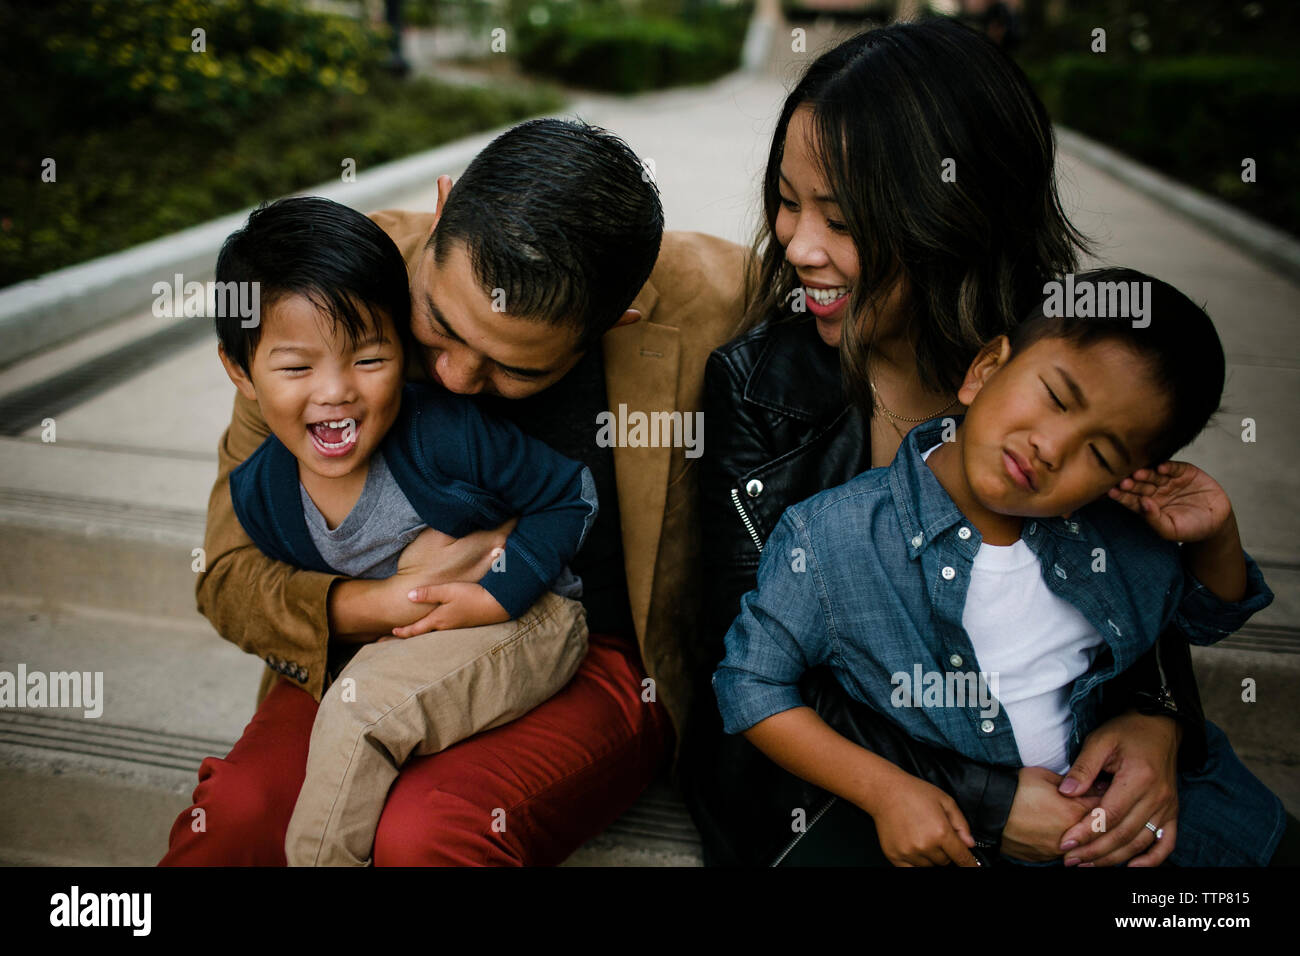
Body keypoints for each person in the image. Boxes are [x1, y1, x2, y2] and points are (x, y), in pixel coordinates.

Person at [684, 18, 1207, 868]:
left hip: (1070, 802)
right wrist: (988, 799)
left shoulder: (1066, 377)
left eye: (843, 220)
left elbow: (1137, 597)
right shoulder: (755, 390)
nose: (799, 245)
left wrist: (1156, 722)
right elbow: (748, 670)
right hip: (830, 812)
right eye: (787, 201)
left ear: (953, 217)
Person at [160, 119, 750, 866]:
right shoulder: (325, 292)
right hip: (363, 645)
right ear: (442, 209)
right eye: (438, 326)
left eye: (518, 369)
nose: (456, 379)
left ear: (616, 321)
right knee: (242, 818)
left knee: (427, 830)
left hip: (586, 650)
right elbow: (231, 578)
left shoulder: (712, 301)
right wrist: (384, 602)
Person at [714, 269, 1290, 867]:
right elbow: (750, 682)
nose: (1052, 447)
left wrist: (1216, 534)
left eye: (1099, 452)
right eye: (1058, 398)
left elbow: (1205, 616)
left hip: (1118, 814)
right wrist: (886, 791)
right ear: (985, 370)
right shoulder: (835, 535)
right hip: (954, 827)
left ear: (1120, 478)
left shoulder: (1112, 537)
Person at [210, 196, 596, 866]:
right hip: (397, 648)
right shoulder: (263, 496)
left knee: (358, 718)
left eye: (368, 359)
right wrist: (379, 601)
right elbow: (243, 588)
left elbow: (572, 494)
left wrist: (497, 590)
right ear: (241, 372)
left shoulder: (444, 435)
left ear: (404, 348)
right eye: (298, 368)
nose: (335, 392)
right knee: (289, 766)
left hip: (528, 619)